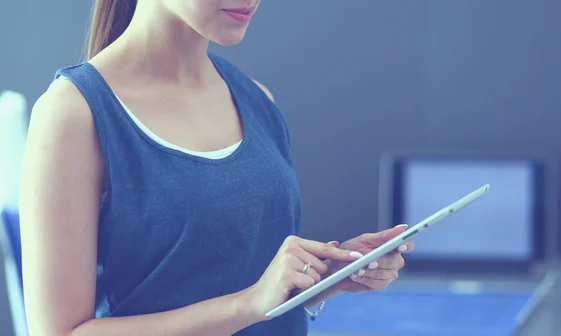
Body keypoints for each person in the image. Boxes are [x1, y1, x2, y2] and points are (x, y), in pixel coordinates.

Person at [19, 1, 415, 335]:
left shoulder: (258, 100)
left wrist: (326, 274)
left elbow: (246, 281)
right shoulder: (73, 113)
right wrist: (248, 304)